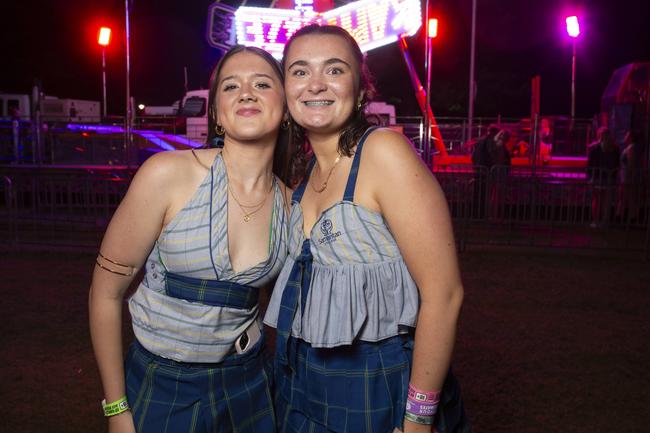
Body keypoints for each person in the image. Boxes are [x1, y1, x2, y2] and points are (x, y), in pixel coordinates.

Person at [263, 24, 469, 433]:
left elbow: (444, 294)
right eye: (300, 71)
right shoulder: (302, 182)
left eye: (335, 70)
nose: (316, 83)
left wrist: (417, 418)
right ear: (285, 91)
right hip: (301, 387)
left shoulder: (382, 153)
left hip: (378, 392)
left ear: (360, 91)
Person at [89, 45, 291, 433]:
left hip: (247, 386)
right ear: (216, 113)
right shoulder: (166, 175)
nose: (246, 92)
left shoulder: (290, 204)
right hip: (163, 386)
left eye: (262, 83)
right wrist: (116, 410)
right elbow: (105, 293)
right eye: (231, 86)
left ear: (284, 108)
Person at [587, 126, 620, 227]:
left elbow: (590, 164)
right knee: (606, 200)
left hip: (598, 177)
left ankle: (596, 221)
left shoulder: (594, 148)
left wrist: (590, 177)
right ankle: (605, 221)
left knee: (597, 200)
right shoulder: (615, 148)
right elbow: (616, 164)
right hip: (609, 178)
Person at [617, 130, 646, 222]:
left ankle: (630, 218)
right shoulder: (630, 148)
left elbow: (631, 164)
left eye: (627, 135)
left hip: (628, 178)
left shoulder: (631, 148)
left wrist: (629, 176)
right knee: (625, 198)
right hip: (626, 177)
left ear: (630, 138)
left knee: (629, 198)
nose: (625, 137)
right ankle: (624, 217)